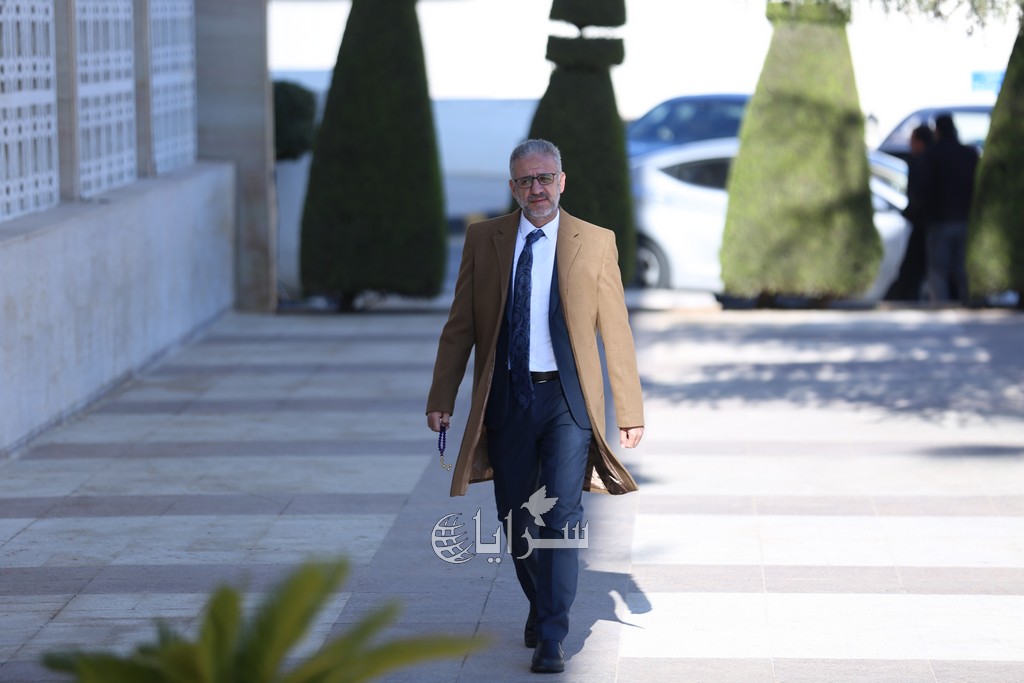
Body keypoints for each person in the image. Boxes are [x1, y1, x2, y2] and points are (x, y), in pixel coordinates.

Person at [425, 139, 645, 674]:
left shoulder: (595, 242)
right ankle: (541, 602)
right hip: (507, 397)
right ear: (513, 188)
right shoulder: (485, 239)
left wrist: (629, 410)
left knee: (563, 514)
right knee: (516, 515)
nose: (537, 189)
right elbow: (460, 326)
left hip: (568, 400)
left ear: (562, 182)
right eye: (526, 181)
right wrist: (442, 397)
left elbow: (616, 329)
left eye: (545, 178)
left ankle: (552, 634)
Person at [921, 113, 979, 304]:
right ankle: (970, 301)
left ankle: (941, 308)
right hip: (965, 218)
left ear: (937, 131)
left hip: (940, 220)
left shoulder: (933, 154)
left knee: (938, 272)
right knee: (962, 268)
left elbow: (925, 188)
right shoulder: (969, 154)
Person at [885, 124, 933, 302]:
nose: (909, 144)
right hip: (927, 222)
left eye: (912, 140)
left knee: (918, 267)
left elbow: (918, 195)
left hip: (925, 223)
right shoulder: (925, 161)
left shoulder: (923, 162)